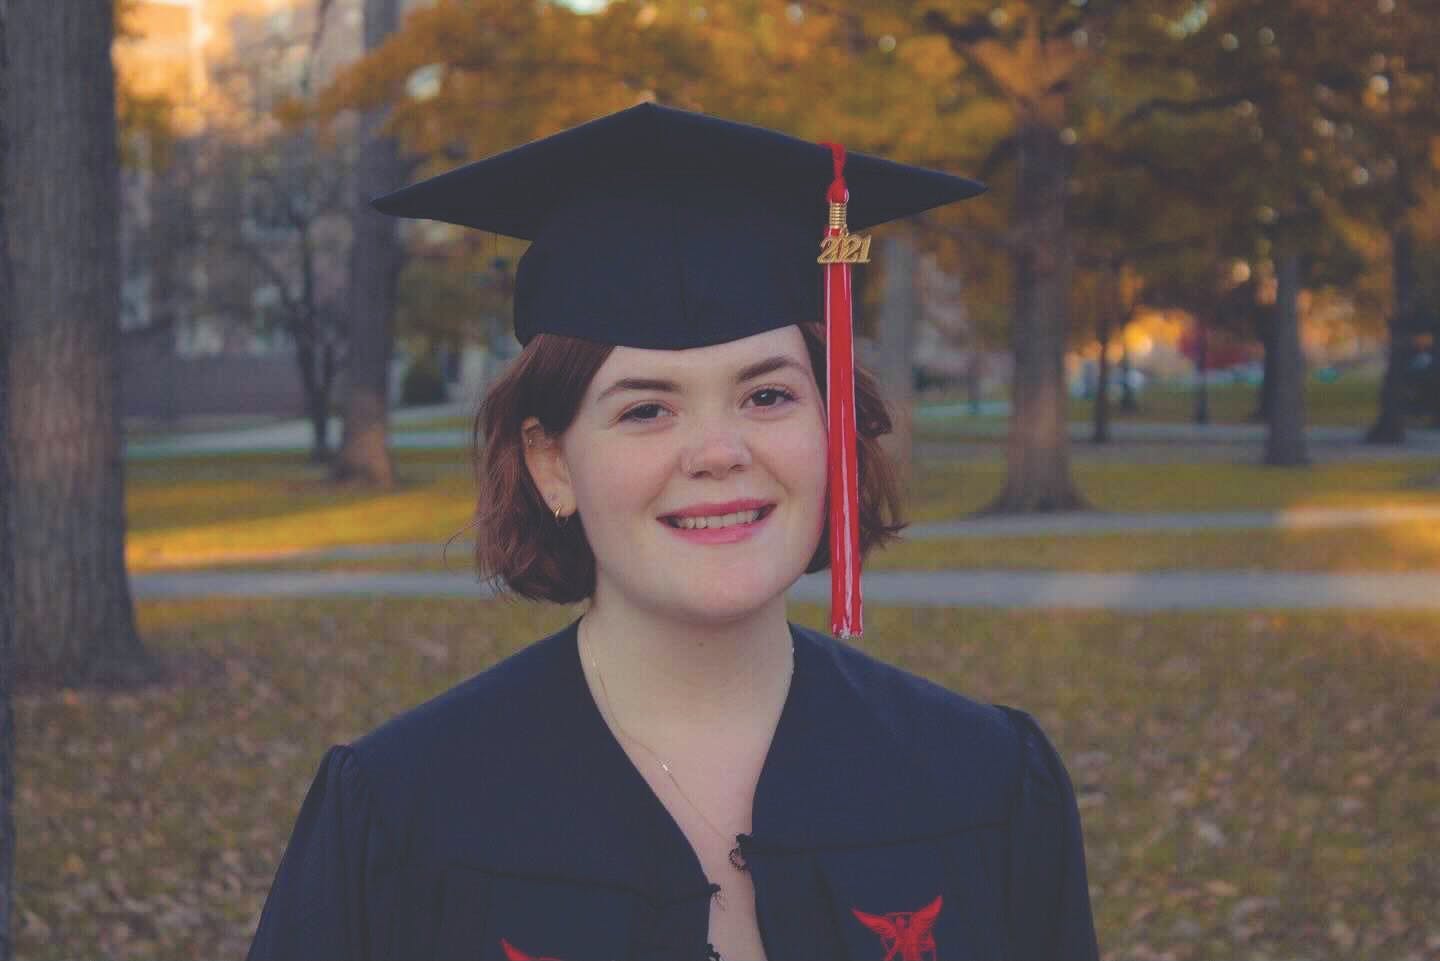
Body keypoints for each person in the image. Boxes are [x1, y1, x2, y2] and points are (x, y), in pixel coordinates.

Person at [246, 103, 1099, 961]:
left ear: (834, 426)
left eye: (768, 396)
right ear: (551, 464)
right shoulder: (405, 817)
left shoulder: (983, 787)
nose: (720, 452)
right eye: (647, 408)